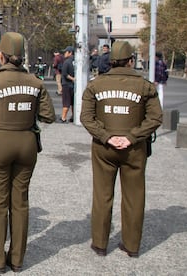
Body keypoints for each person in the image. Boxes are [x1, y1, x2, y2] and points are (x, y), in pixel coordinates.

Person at [0, 32, 55, 273]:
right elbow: (49, 115)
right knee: (20, 202)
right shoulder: (35, 81)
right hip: (27, 142)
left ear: (1, 55)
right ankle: (17, 259)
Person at [80, 41, 163, 258]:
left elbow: (86, 117)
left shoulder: (96, 84)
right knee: (134, 197)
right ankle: (132, 245)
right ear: (131, 60)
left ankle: (99, 243)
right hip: (134, 148)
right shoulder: (144, 86)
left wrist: (107, 137)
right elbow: (155, 117)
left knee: (102, 195)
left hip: (103, 147)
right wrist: (131, 137)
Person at [58, 46, 75, 123]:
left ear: (70, 53)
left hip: (66, 84)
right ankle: (74, 116)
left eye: (65, 52)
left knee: (66, 102)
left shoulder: (66, 62)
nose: (64, 53)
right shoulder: (77, 61)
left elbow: (64, 74)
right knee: (73, 102)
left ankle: (63, 118)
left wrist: (72, 79)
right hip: (74, 86)